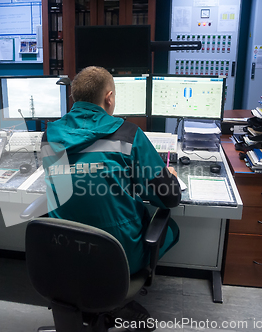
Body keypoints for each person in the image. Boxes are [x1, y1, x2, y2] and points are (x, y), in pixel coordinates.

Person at [41, 66, 181, 329]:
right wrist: (162, 176)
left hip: (63, 253)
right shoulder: (128, 135)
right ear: (109, 98)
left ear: (74, 99)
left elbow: (69, 188)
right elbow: (169, 197)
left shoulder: (50, 134)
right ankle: (118, 303)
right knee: (168, 229)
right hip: (119, 258)